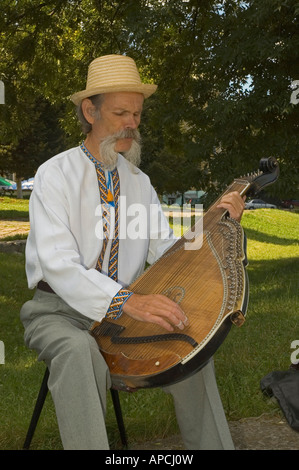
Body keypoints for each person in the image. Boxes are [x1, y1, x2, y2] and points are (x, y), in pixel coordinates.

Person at [20, 54, 245, 450]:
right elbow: (58, 265)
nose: (132, 124)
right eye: (121, 112)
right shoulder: (55, 174)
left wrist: (215, 219)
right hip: (58, 314)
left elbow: (169, 252)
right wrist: (127, 301)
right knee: (77, 351)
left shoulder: (139, 182)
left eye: (137, 114)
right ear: (90, 111)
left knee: (192, 342)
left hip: (126, 316)